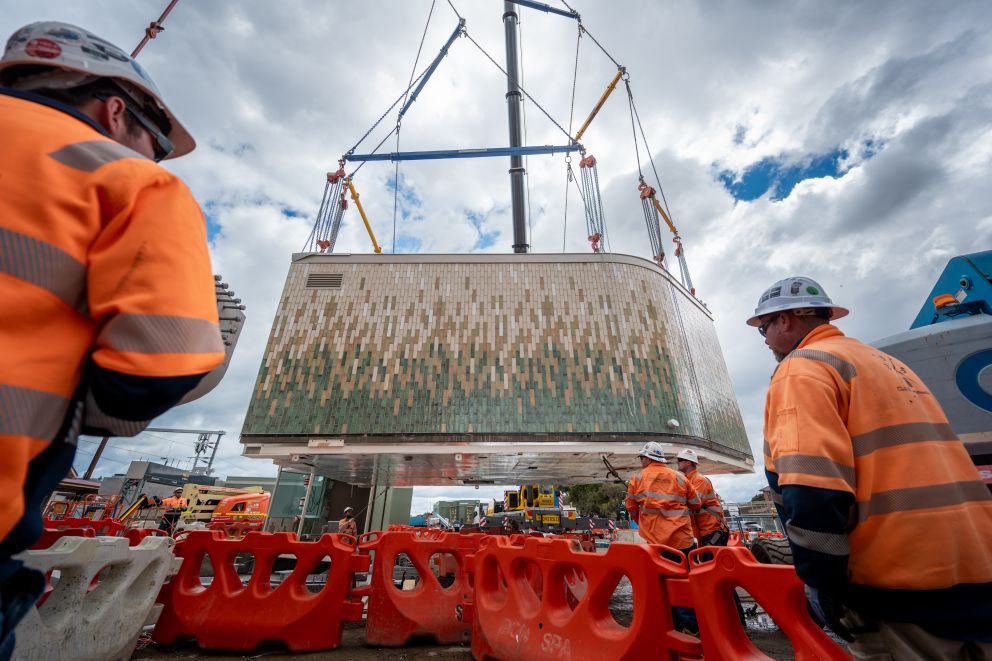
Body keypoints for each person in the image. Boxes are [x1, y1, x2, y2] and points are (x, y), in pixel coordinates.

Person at [0, 22, 224, 657]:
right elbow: (163, 361)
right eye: (154, 142)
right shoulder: (126, 180)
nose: (152, 157)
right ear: (114, 109)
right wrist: (80, 412)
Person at [751, 276, 992, 658]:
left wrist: (825, 585)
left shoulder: (802, 368)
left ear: (786, 320)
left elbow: (812, 484)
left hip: (899, 580)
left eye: (763, 328)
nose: (763, 339)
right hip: (975, 566)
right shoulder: (888, 364)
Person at [624, 441, 701, 635]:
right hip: (682, 540)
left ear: (648, 458)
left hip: (656, 543)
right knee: (684, 582)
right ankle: (690, 627)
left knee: (662, 584)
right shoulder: (680, 478)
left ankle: (670, 626)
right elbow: (696, 504)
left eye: (642, 457)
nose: (641, 460)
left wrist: (643, 523)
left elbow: (631, 507)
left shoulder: (638, 478)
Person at [675, 448, 730, 547]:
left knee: (712, 561)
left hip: (712, 530)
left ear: (688, 462)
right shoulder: (689, 480)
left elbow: (693, 503)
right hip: (706, 531)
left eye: (679, 460)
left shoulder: (699, 480)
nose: (677, 462)